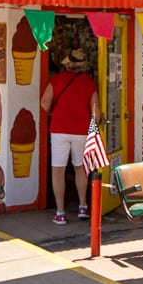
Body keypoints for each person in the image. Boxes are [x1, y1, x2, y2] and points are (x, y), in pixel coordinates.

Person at [39, 47, 99, 225]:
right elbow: (97, 111)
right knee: (81, 168)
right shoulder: (89, 83)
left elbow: (44, 103)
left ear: (67, 64)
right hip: (81, 130)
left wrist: (55, 111)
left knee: (58, 170)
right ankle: (82, 206)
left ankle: (60, 212)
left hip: (59, 129)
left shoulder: (56, 79)